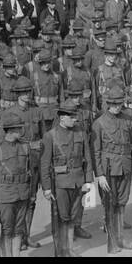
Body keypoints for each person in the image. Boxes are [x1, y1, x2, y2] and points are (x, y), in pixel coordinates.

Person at [40, 101, 94, 256]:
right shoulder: (50, 136)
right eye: (71, 116)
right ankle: (61, 250)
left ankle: (69, 249)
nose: (75, 119)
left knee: (72, 217)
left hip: (77, 180)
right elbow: (45, 164)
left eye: (75, 116)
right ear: (62, 117)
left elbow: (87, 157)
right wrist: (47, 188)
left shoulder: (80, 132)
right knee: (62, 218)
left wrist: (88, 180)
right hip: (60, 183)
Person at [91, 83, 132, 253]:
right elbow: (95, 152)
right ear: (107, 103)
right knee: (110, 205)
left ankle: (120, 238)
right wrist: (100, 175)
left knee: (122, 203)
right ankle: (111, 241)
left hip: (125, 165)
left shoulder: (129, 119)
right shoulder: (99, 123)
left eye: (120, 103)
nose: (117, 106)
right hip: (108, 168)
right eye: (114, 103)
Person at [0, 109, 35, 258]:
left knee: (19, 229)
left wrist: (31, 193)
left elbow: (31, 172)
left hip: (23, 193)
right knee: (7, 230)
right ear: (11, 131)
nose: (21, 130)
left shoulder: (25, 147)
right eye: (19, 128)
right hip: (6, 195)